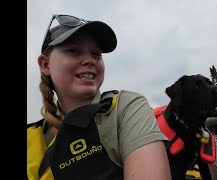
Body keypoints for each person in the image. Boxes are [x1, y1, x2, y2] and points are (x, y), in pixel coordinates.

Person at [27, 14, 171, 180]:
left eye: (96, 54)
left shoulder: (126, 107)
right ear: (45, 65)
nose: (90, 60)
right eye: (74, 51)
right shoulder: (32, 139)